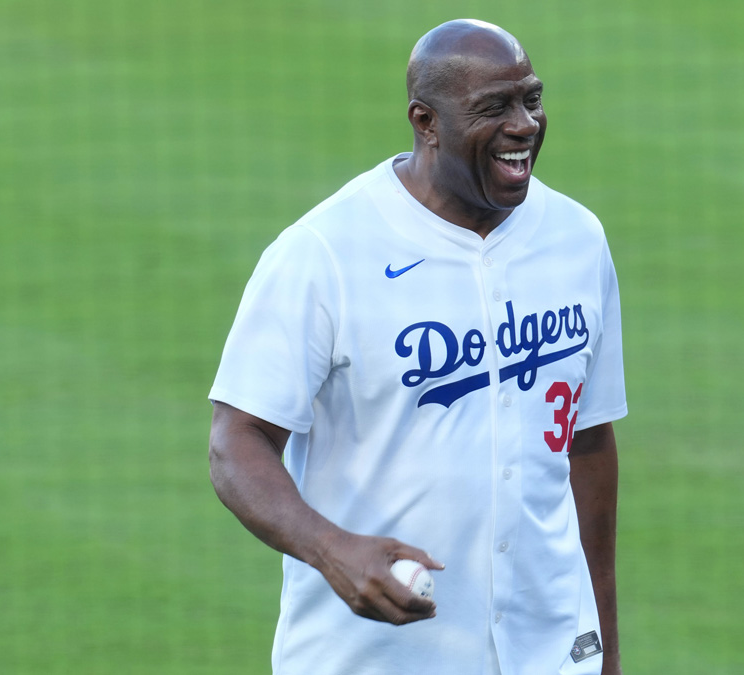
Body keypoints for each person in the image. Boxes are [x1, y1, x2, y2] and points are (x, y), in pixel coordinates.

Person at [208, 19, 626, 675]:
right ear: (425, 121)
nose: (524, 124)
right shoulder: (326, 253)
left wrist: (602, 646)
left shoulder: (577, 239)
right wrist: (331, 547)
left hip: (549, 651)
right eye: (494, 108)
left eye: (532, 99)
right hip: (373, 657)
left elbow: (589, 444)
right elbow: (234, 441)